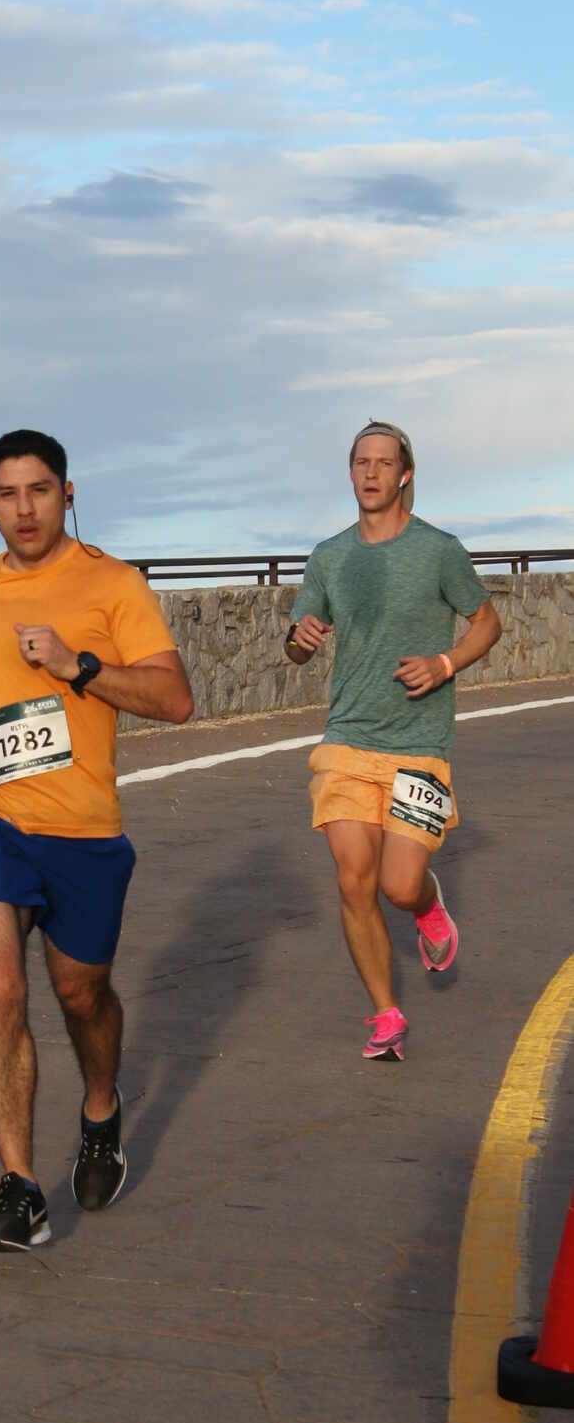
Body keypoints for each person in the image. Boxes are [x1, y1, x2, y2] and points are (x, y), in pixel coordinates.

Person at [0, 429, 194, 1253]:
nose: (24, 509)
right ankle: (19, 1187)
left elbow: (175, 700)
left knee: (83, 996)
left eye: (39, 491)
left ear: (66, 494)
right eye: (7, 495)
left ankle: (100, 1107)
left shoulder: (114, 585)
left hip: (81, 831)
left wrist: (79, 666)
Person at [285, 421, 501, 1060]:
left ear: (405, 474)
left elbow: (487, 623)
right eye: (362, 462)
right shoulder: (329, 556)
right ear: (351, 472)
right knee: (355, 881)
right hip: (348, 740)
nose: (372, 473)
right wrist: (299, 640)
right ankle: (386, 1014)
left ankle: (428, 908)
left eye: (384, 463)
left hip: (419, 743)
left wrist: (444, 663)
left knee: (399, 886)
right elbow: (297, 641)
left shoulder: (439, 550)